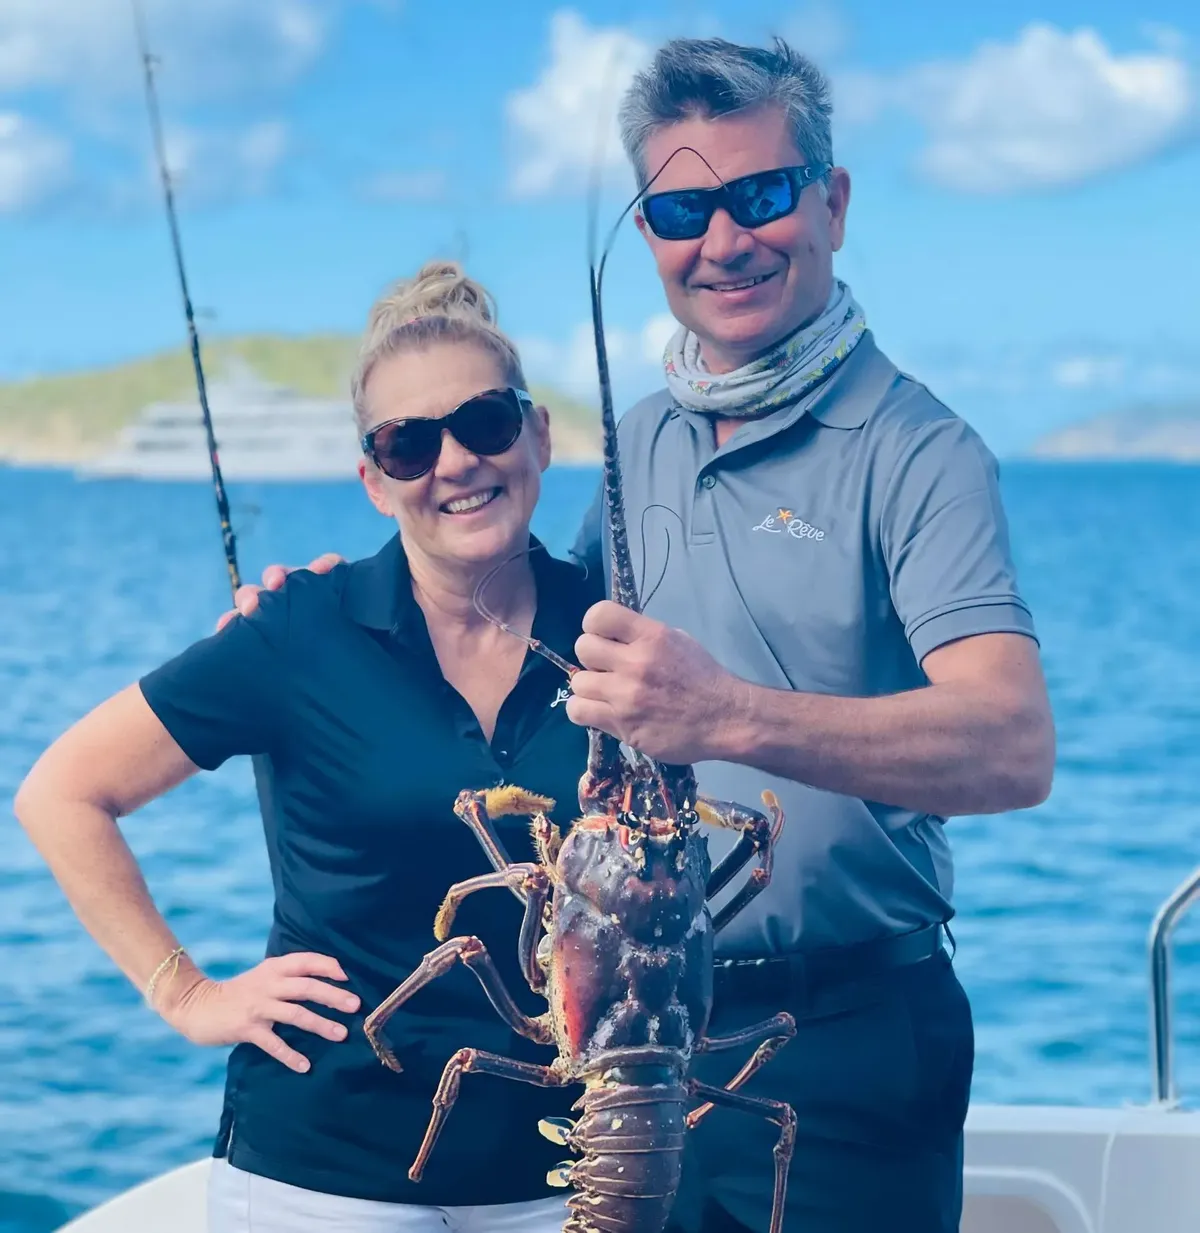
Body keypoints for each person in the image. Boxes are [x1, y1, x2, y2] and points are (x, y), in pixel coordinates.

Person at [215, 35, 1056, 1233]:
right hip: (623, 1035)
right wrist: (315, 618)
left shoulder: (922, 455)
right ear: (650, 230)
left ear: (833, 201)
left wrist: (731, 718)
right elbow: (515, 620)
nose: (724, 241)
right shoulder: (648, 438)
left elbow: (1012, 747)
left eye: (761, 195)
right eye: (679, 208)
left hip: (839, 1037)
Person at [14, 261, 600, 1233]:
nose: (455, 462)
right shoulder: (299, 631)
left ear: (538, 436)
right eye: (409, 444)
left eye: (486, 423)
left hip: (566, 1173)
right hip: (318, 1172)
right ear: (374, 481)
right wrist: (188, 994)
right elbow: (62, 792)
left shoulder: (615, 639)